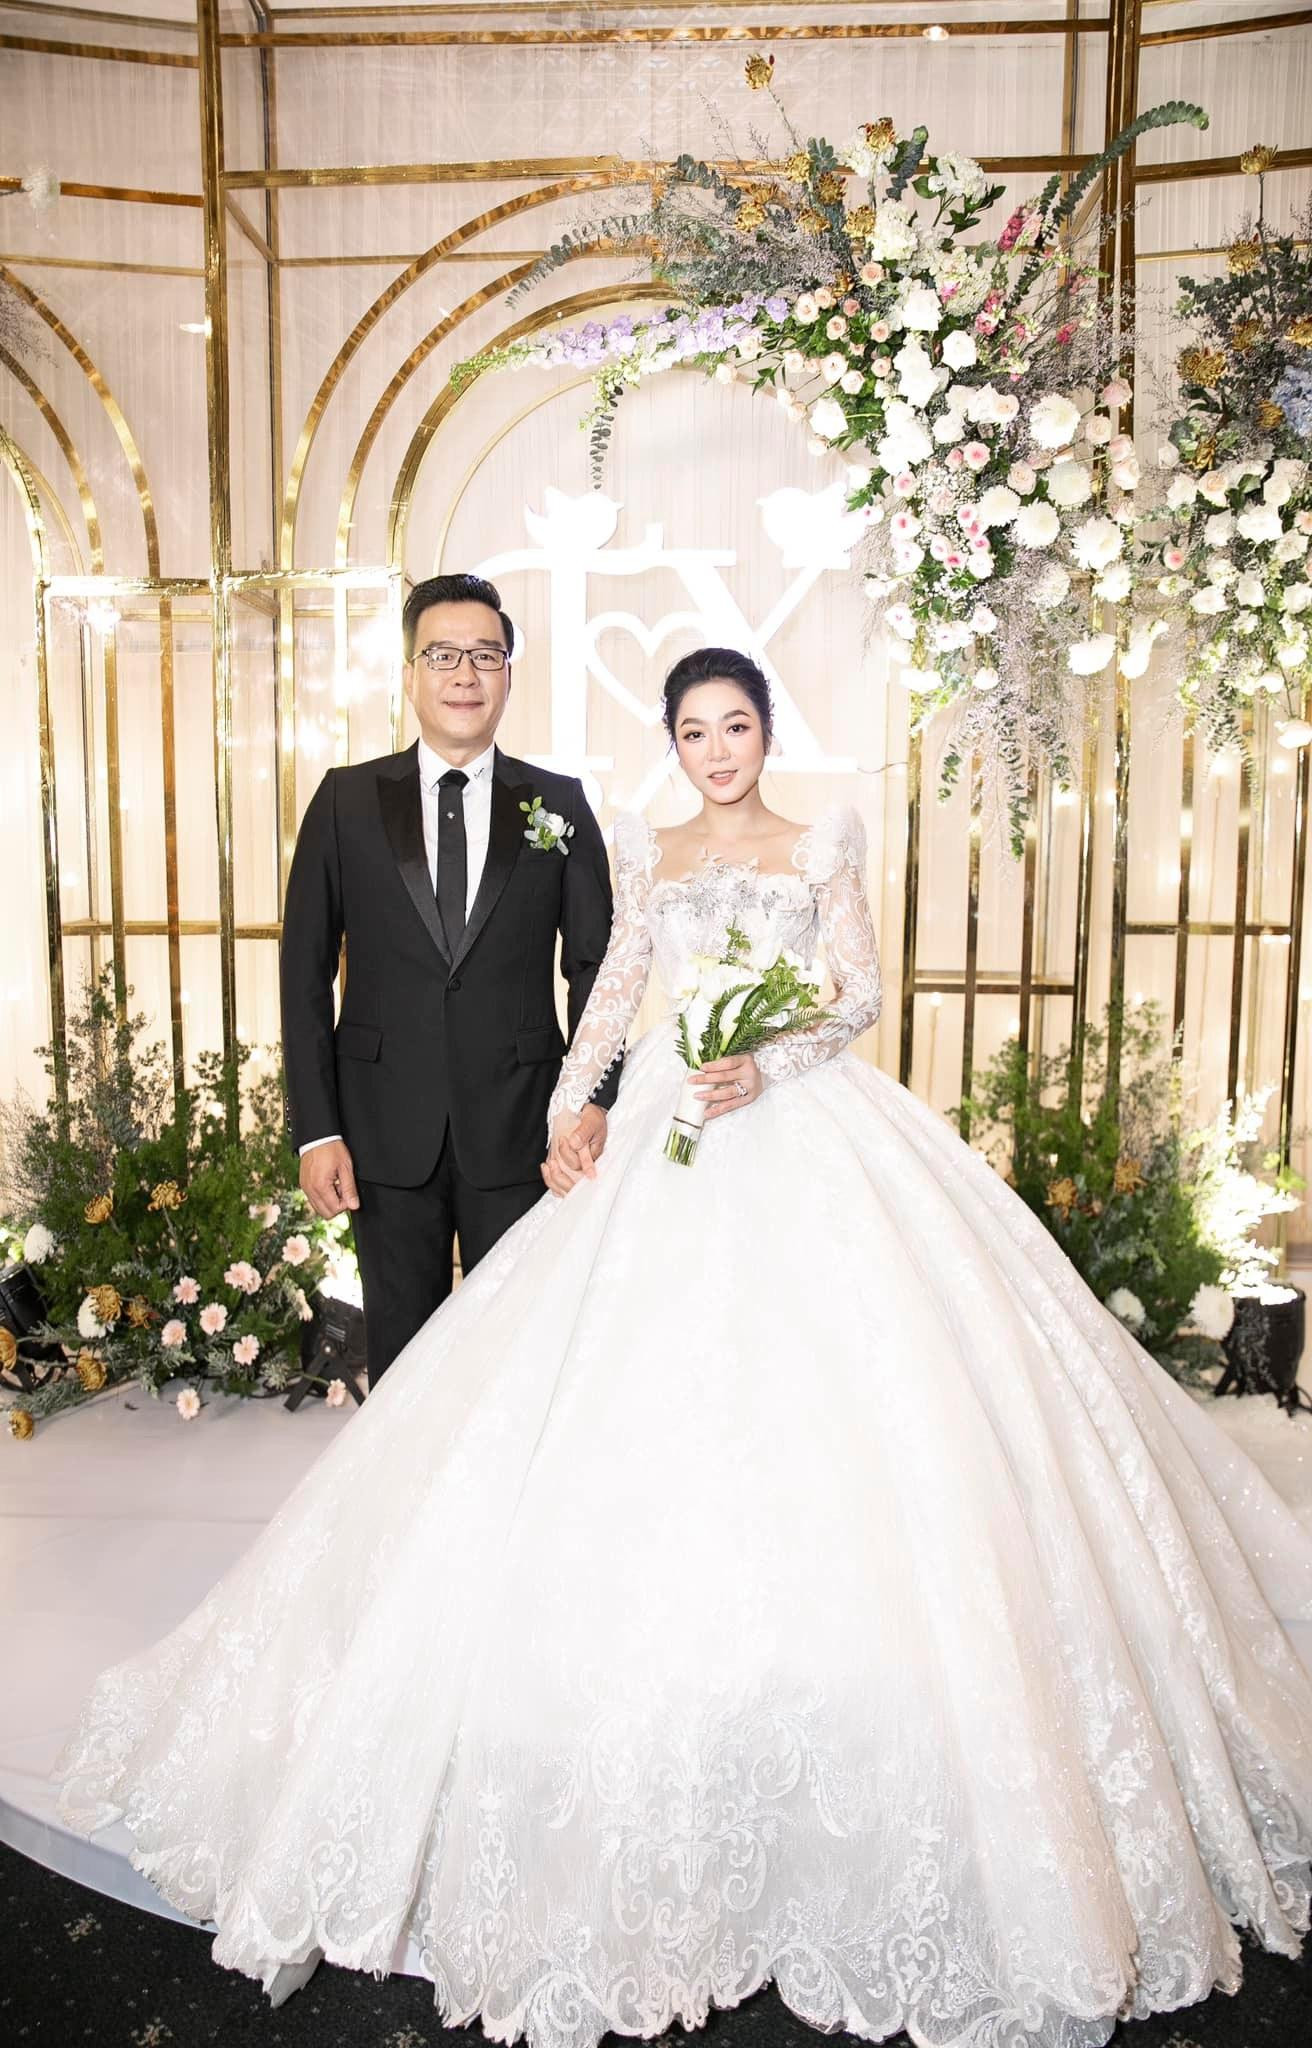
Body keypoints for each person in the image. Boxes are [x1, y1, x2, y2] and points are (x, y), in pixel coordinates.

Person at [56, 648, 1312, 2048]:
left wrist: (770, 1060)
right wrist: (574, 1105)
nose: (718, 749)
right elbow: (612, 988)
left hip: (797, 1114)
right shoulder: (646, 849)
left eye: (737, 725)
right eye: (695, 731)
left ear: (768, 731)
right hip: (666, 1111)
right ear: (673, 744)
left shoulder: (820, 840)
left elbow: (857, 991)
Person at [278, 571, 618, 1384]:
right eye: (442, 655)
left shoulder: (561, 804)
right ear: (409, 675)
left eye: (485, 655)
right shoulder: (344, 801)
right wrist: (317, 1130)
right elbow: (303, 971)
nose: (465, 674)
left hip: (524, 1129)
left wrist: (591, 1099)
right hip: (381, 1130)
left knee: (517, 1358)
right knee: (402, 1362)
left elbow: (598, 970)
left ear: (508, 674)